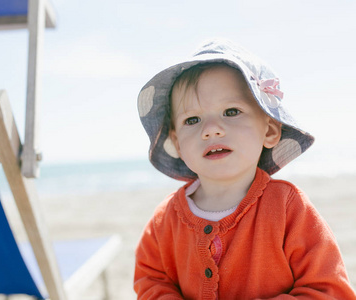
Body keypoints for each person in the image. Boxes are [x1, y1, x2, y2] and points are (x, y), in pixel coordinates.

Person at [134, 38, 356, 299]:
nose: (211, 129)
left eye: (231, 112)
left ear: (270, 130)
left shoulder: (288, 208)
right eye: (192, 119)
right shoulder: (165, 219)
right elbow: (150, 280)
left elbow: (329, 289)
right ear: (177, 143)